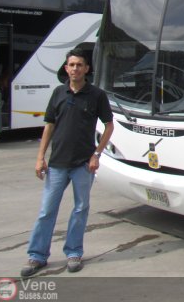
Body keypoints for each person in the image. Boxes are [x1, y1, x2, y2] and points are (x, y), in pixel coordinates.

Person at [21, 48, 114, 277]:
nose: (75, 69)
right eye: (71, 65)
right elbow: (49, 126)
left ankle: (74, 253)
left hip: (83, 164)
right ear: (66, 68)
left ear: (87, 69)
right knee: (46, 211)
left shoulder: (97, 95)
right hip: (57, 164)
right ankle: (37, 257)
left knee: (80, 209)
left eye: (79, 65)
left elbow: (109, 125)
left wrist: (97, 154)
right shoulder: (58, 93)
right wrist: (40, 157)